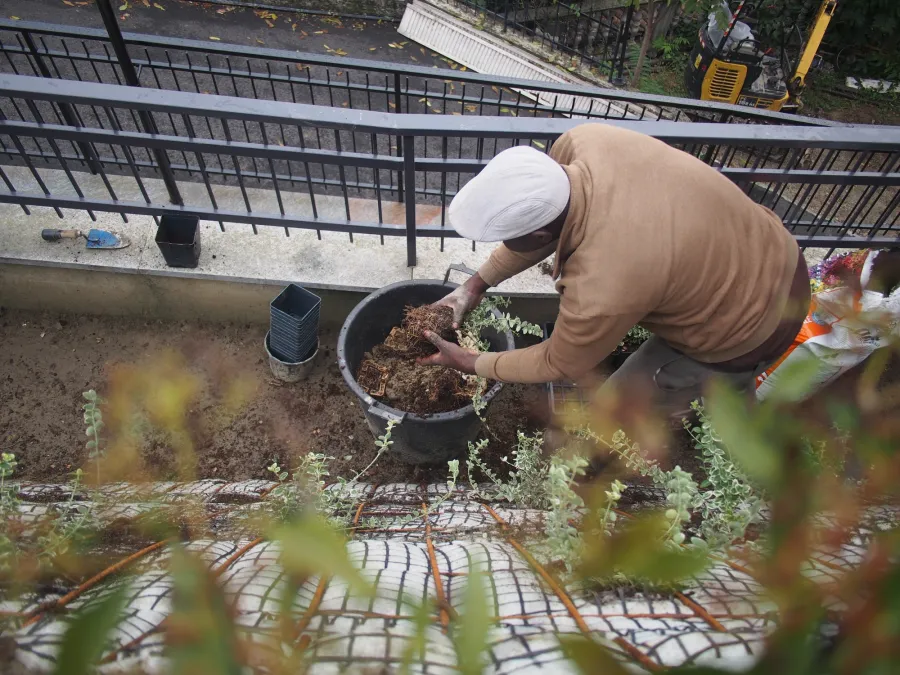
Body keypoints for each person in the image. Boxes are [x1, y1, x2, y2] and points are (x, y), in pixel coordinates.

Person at [420, 123, 811, 419]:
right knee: (714, 386)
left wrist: (470, 362)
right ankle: (729, 401)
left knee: (617, 411)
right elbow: (552, 216)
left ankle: (587, 482)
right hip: (766, 249)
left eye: (509, 237)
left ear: (538, 233)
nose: (502, 245)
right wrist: (475, 285)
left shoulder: (604, 283)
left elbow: (560, 362)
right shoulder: (582, 142)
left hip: (754, 324)